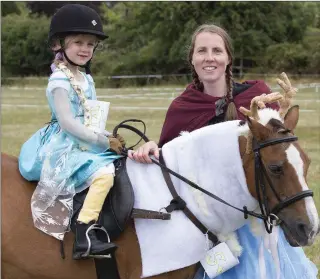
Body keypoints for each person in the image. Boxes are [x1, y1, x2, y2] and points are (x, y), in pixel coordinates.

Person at [128, 24, 318, 278]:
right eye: (202, 51)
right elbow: (171, 158)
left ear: (228, 58)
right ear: (192, 59)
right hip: (210, 223)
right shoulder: (182, 108)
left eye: (217, 50)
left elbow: (279, 150)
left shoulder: (256, 96)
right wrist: (153, 146)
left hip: (254, 220)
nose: (209, 57)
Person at [18, 4, 125, 260]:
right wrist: (102, 141)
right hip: (64, 143)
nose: (85, 49)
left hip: (85, 137)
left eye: (90, 44)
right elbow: (68, 123)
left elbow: (91, 116)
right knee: (103, 174)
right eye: (78, 42)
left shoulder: (86, 79)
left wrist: (110, 134)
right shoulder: (58, 82)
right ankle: (84, 233)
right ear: (59, 44)